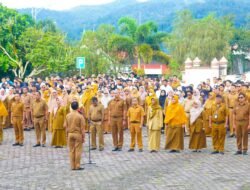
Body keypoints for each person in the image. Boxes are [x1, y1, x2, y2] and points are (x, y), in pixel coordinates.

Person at [64, 101, 85, 170]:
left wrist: (66, 135)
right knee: (78, 150)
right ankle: (77, 165)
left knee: (71, 150)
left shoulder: (67, 115)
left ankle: (72, 166)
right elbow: (82, 128)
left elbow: (65, 126)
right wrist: (83, 137)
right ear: (78, 107)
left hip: (70, 134)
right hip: (77, 134)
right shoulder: (80, 116)